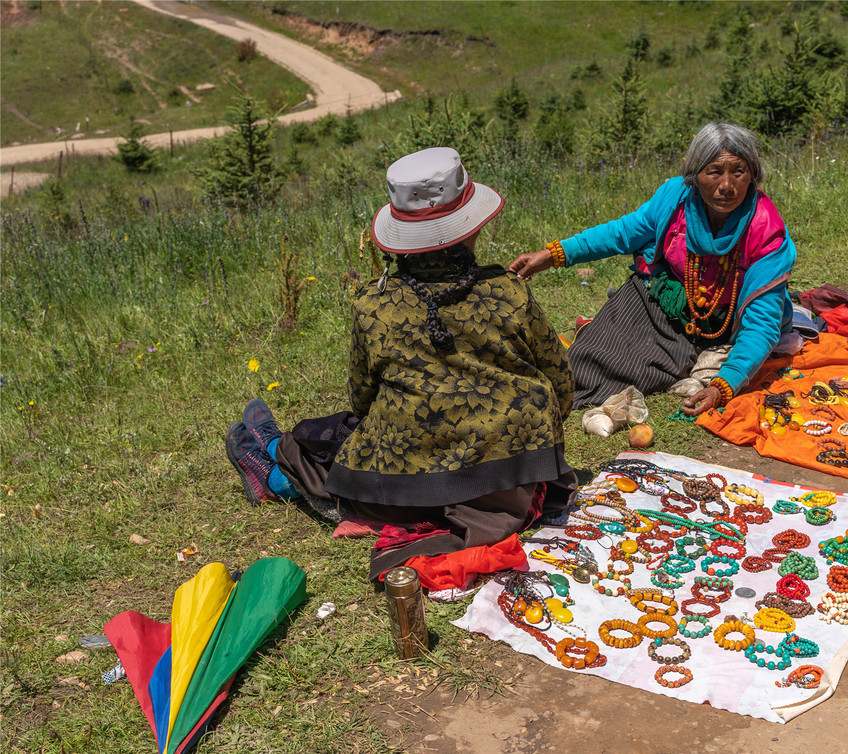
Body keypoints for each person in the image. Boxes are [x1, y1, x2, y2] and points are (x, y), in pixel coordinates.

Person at [226, 147, 577, 580]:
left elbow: (362, 400)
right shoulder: (509, 291)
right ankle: (273, 456)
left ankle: (274, 460)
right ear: (470, 228)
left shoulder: (374, 305)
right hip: (511, 487)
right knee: (342, 434)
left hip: (407, 490)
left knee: (325, 438)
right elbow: (561, 388)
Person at [509, 122, 799, 417]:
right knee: (588, 354)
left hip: (718, 323)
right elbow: (621, 233)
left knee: (641, 372)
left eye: (738, 171)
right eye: (714, 172)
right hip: (660, 298)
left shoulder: (766, 229)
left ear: (752, 175)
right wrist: (554, 255)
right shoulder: (675, 198)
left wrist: (723, 385)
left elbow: (761, 323)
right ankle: (538, 394)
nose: (727, 185)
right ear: (695, 176)